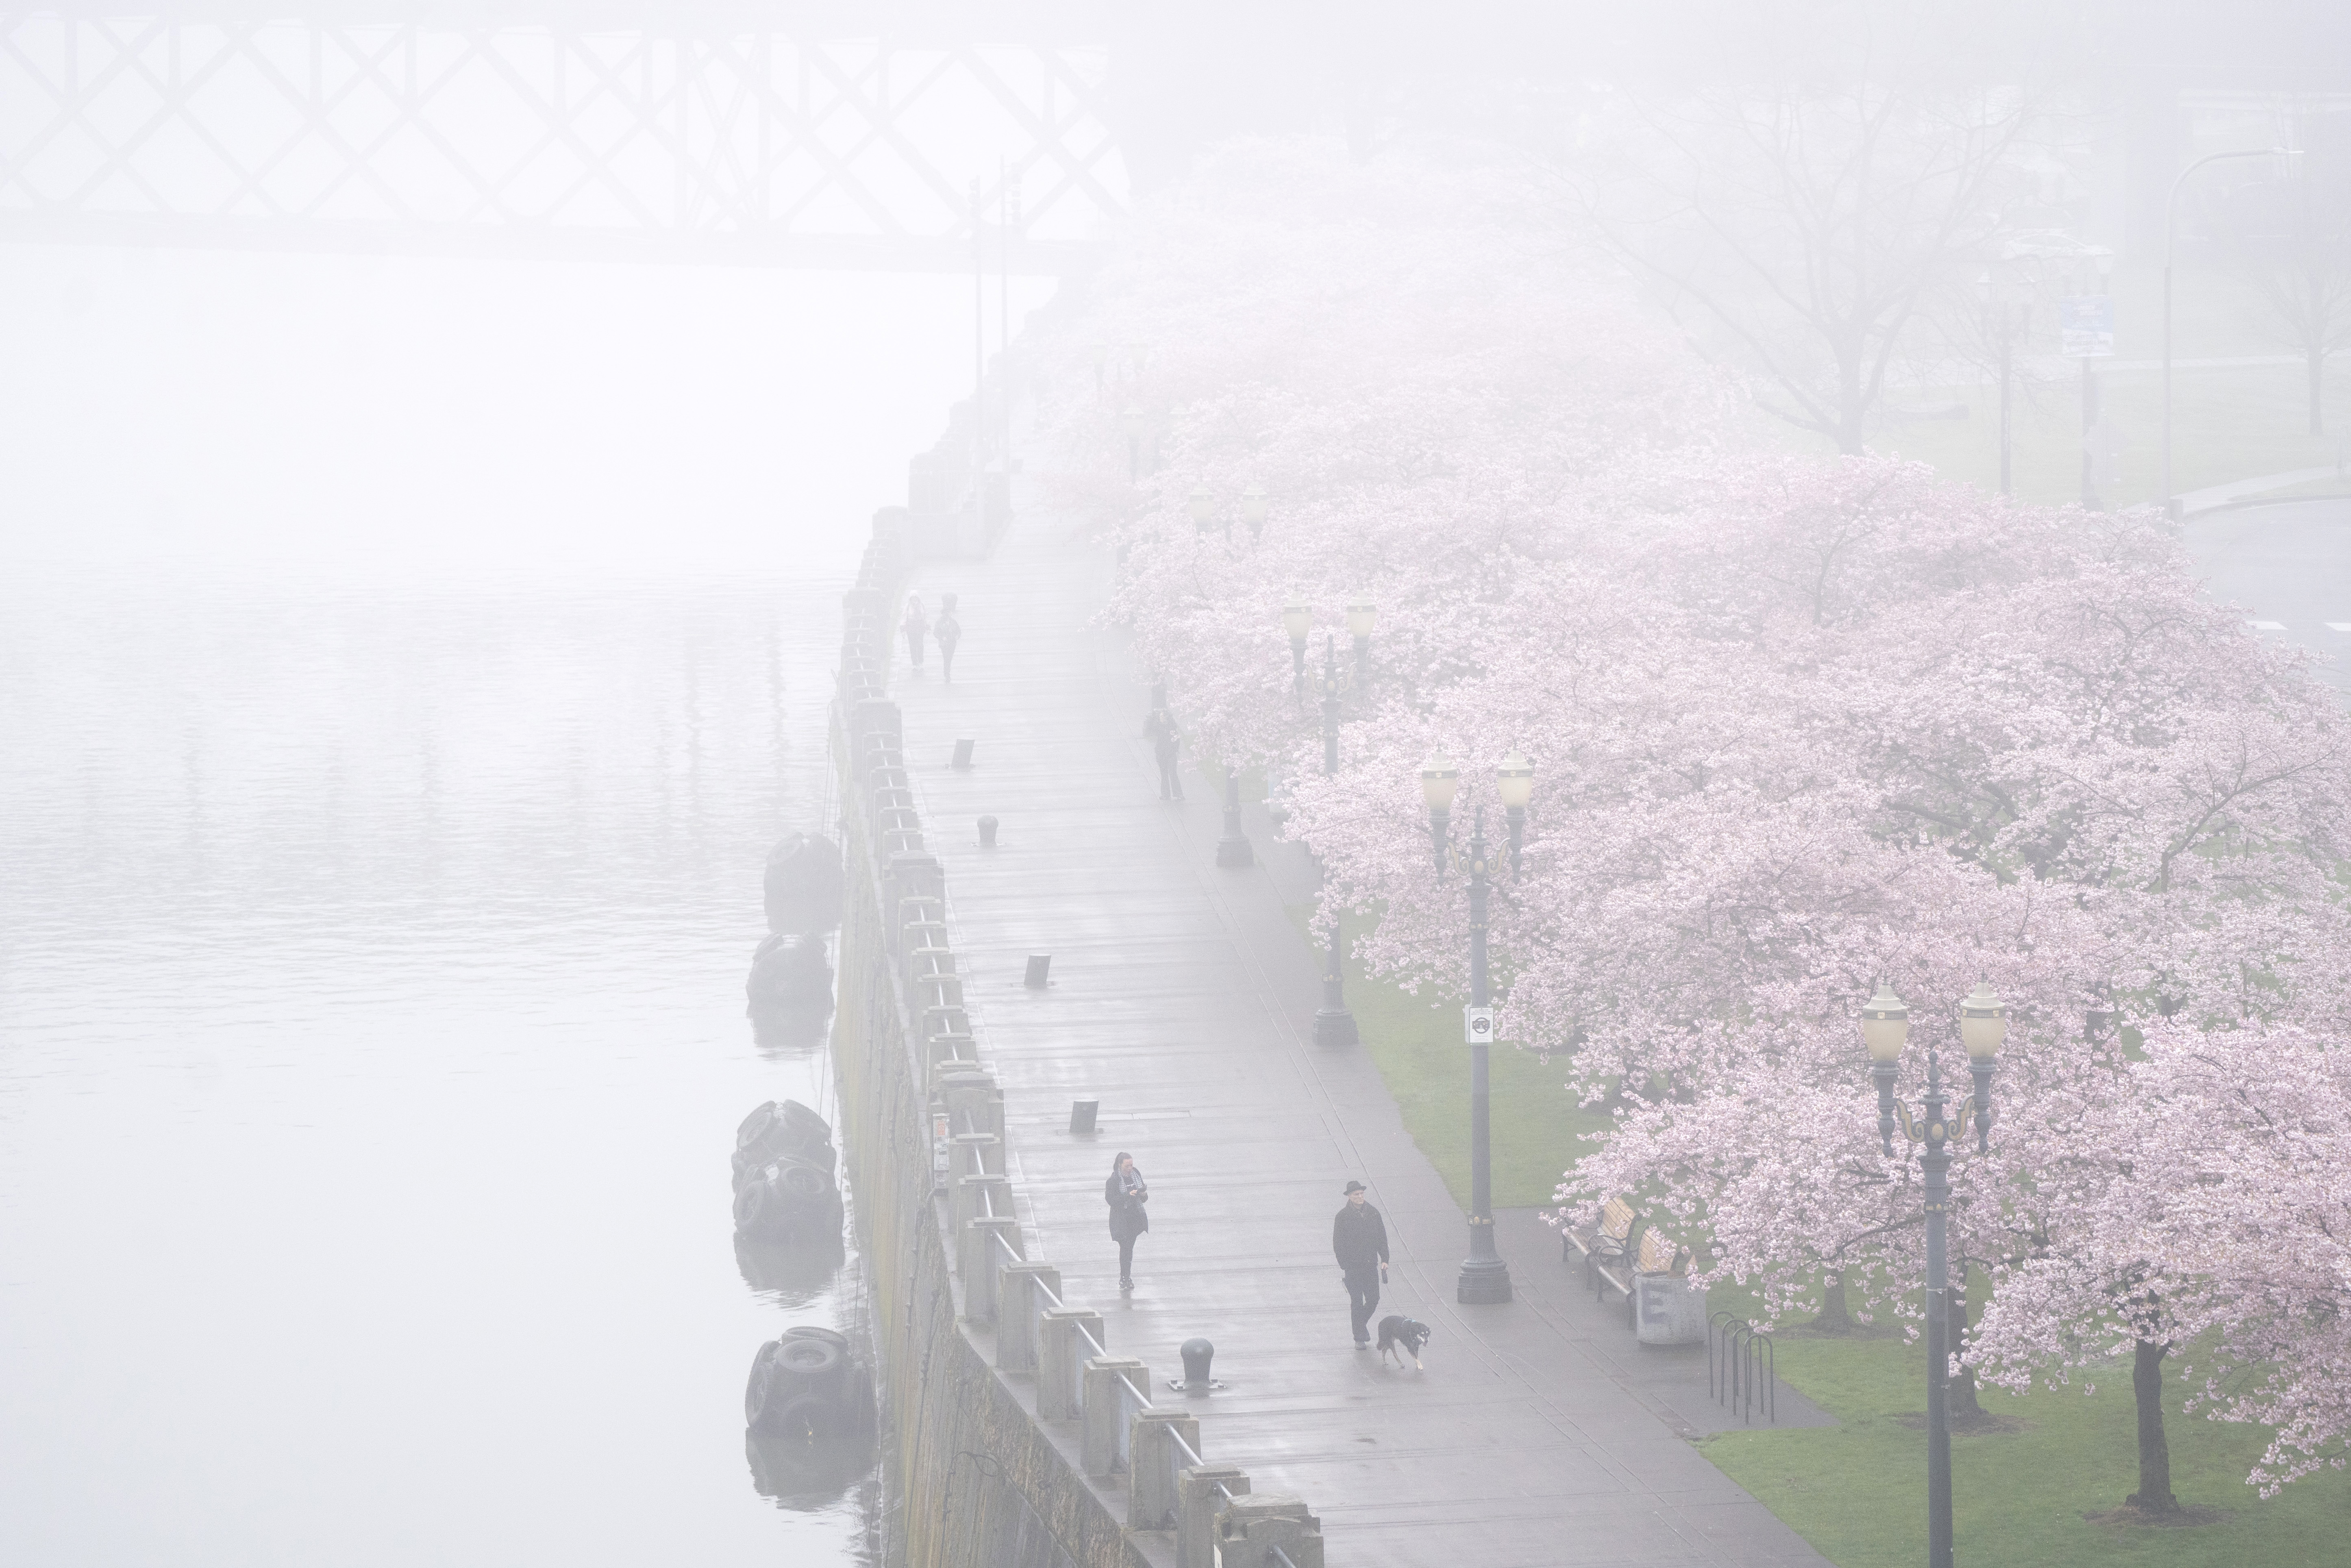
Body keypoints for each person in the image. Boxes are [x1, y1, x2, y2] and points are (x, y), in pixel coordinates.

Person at [1332, 1179, 1390, 1348]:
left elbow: (1382, 1238)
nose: (1360, 1197)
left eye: (1362, 1193)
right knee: (1357, 1301)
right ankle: (1359, 1338)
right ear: (1349, 1196)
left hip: (1371, 1264)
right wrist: (1344, 1264)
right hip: (1352, 1268)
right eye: (1356, 1194)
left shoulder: (1373, 1213)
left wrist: (1385, 1259)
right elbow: (1338, 1244)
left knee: (1374, 1299)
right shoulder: (1342, 1217)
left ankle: (1359, 1326)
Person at [1105, 1151, 1148, 1292]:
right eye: (1127, 1166)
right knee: (1125, 1249)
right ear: (1120, 1165)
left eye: (1131, 1165)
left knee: (1129, 1249)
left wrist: (1142, 1194)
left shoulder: (1136, 1175)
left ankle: (1126, 1277)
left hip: (1135, 1219)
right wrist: (1126, 1196)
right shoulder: (1113, 1181)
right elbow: (1111, 1200)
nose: (1130, 1169)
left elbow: (1144, 1199)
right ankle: (1124, 1277)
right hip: (1121, 1220)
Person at [1143, 706, 1183, 800]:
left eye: (1164, 717)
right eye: (1161, 717)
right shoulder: (1157, 727)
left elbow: (1177, 740)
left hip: (1171, 753)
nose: (1162, 718)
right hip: (1161, 753)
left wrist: (1174, 750)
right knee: (1164, 774)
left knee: (1173, 773)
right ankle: (1166, 794)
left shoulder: (1172, 727)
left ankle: (1178, 794)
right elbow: (1148, 733)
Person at [934, 594, 961, 684]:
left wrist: (957, 636)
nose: (947, 614)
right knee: (946, 659)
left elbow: (959, 631)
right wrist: (942, 637)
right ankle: (947, 675)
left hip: (952, 644)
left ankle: (947, 673)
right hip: (944, 644)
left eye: (949, 612)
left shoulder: (954, 622)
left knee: (949, 659)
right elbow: (936, 633)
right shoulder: (939, 623)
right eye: (945, 613)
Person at [901, 594, 927, 672]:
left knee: (920, 646)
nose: (915, 600)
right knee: (913, 647)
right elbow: (904, 618)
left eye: (916, 598)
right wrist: (903, 629)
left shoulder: (921, 606)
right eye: (913, 598)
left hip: (920, 629)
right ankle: (915, 664)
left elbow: (925, 616)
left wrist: (928, 626)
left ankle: (921, 662)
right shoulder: (908, 607)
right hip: (911, 630)